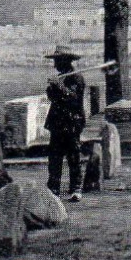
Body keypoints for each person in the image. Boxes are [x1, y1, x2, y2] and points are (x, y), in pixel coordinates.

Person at [44, 45, 86, 202]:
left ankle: (76, 188)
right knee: (54, 157)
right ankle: (53, 188)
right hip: (57, 122)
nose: (55, 64)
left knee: (73, 155)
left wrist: (60, 85)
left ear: (66, 61)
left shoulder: (77, 78)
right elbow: (52, 98)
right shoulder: (61, 76)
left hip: (72, 122)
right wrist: (52, 87)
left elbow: (73, 98)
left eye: (57, 61)